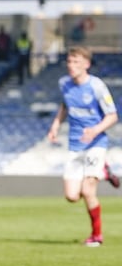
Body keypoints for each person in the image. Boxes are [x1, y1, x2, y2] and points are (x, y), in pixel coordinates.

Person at [46, 47, 118, 247]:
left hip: (96, 144)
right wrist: (55, 125)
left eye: (76, 62)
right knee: (71, 196)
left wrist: (95, 130)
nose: (71, 65)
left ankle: (97, 235)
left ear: (86, 64)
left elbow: (112, 116)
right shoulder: (65, 84)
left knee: (88, 190)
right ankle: (104, 170)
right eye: (69, 62)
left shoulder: (97, 86)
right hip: (75, 146)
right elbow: (65, 106)